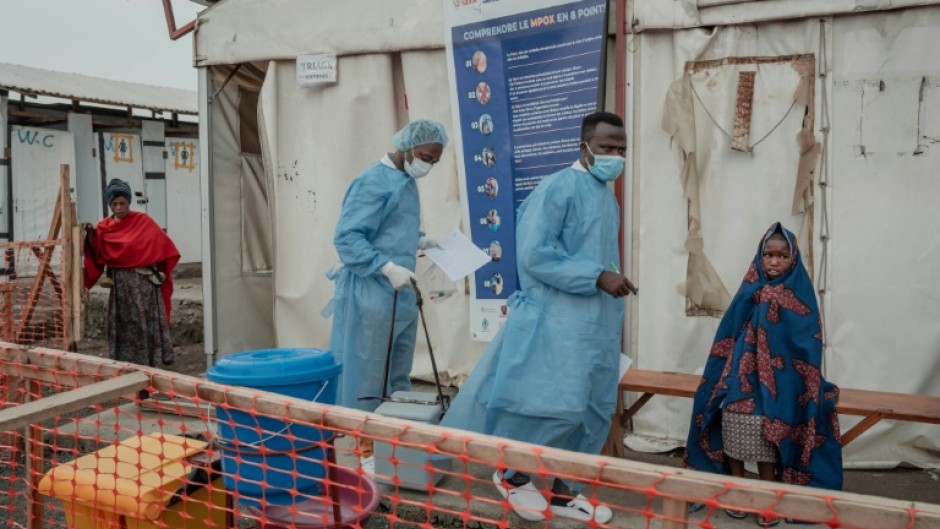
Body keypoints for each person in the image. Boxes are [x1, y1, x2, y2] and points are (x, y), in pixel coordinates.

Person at [441, 112, 635, 523]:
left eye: (621, 149)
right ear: (584, 146)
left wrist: (613, 279)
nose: (615, 156)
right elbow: (534, 254)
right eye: (607, 147)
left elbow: (596, 252)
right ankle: (514, 474)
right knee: (547, 406)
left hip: (595, 324)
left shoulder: (605, 194)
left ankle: (566, 492)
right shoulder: (558, 188)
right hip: (556, 323)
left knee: (591, 410)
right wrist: (597, 276)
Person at [684, 223, 842, 527]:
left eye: (782, 256)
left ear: (793, 259)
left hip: (783, 384)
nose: (774, 261)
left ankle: (767, 495)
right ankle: (740, 491)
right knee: (731, 416)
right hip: (740, 378)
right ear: (760, 256)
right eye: (768, 254)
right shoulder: (750, 289)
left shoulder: (800, 292)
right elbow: (728, 335)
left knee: (768, 428)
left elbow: (805, 342)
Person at [325, 119, 449, 474]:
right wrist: (384, 266)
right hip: (371, 292)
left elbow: (392, 228)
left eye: (435, 161)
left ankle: (394, 438)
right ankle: (367, 446)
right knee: (368, 372)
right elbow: (348, 239)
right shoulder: (371, 182)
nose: (429, 165)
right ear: (407, 147)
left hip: (398, 295)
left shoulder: (405, 181)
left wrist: (419, 240)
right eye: (427, 156)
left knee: (396, 372)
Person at [83, 179, 180, 368]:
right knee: (125, 324)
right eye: (115, 204)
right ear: (109, 205)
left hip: (143, 285)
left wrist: (159, 269)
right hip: (120, 287)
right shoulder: (103, 228)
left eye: (123, 203)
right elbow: (96, 252)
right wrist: (90, 234)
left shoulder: (143, 222)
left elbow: (162, 244)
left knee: (144, 322)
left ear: (129, 203)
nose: (119, 207)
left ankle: (151, 361)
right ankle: (126, 363)